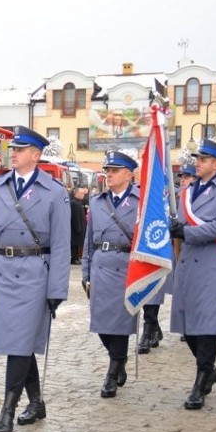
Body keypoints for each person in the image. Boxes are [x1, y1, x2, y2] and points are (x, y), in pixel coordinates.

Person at [0, 126, 70, 432]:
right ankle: (36, 401)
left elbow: (63, 245)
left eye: (20, 149)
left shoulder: (55, 192)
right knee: (18, 341)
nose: (12, 153)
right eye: (12, 148)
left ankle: (7, 412)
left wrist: (56, 290)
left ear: (36, 155)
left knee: (19, 341)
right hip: (2, 270)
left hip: (33, 272)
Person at [169, 139, 216, 410]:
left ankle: (200, 383)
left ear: (215, 164)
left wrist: (186, 232)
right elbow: (183, 219)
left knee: (208, 322)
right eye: (197, 159)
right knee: (188, 323)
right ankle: (209, 369)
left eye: (202, 160)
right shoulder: (189, 190)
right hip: (190, 261)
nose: (196, 163)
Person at [81, 151, 139, 398]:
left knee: (121, 322)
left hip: (127, 266)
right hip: (101, 265)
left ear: (128, 174)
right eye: (107, 170)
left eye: (114, 170)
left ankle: (112, 373)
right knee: (103, 325)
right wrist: (85, 271)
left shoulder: (140, 201)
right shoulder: (97, 201)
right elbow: (88, 239)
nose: (109, 174)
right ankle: (119, 360)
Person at [70, 187, 87, 265]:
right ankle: (74, 258)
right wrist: (78, 228)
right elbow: (75, 217)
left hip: (81, 227)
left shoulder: (79, 203)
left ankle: (77, 257)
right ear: (77, 193)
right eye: (82, 193)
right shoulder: (73, 203)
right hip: (76, 228)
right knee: (75, 243)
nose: (83, 195)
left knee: (78, 243)